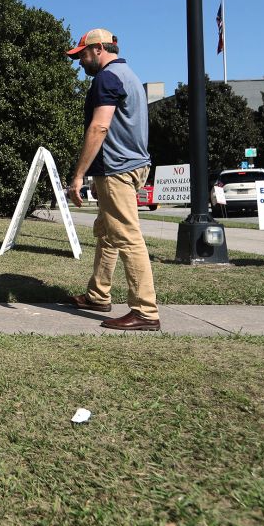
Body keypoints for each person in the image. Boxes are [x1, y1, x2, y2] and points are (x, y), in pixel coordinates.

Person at [65, 29, 160, 331]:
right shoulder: (129, 75)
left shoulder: (106, 78)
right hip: (128, 165)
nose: (80, 61)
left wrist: (78, 174)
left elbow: (100, 127)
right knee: (107, 232)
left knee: (127, 237)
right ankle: (98, 295)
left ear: (98, 49)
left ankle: (145, 311)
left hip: (117, 169)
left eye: (82, 54)